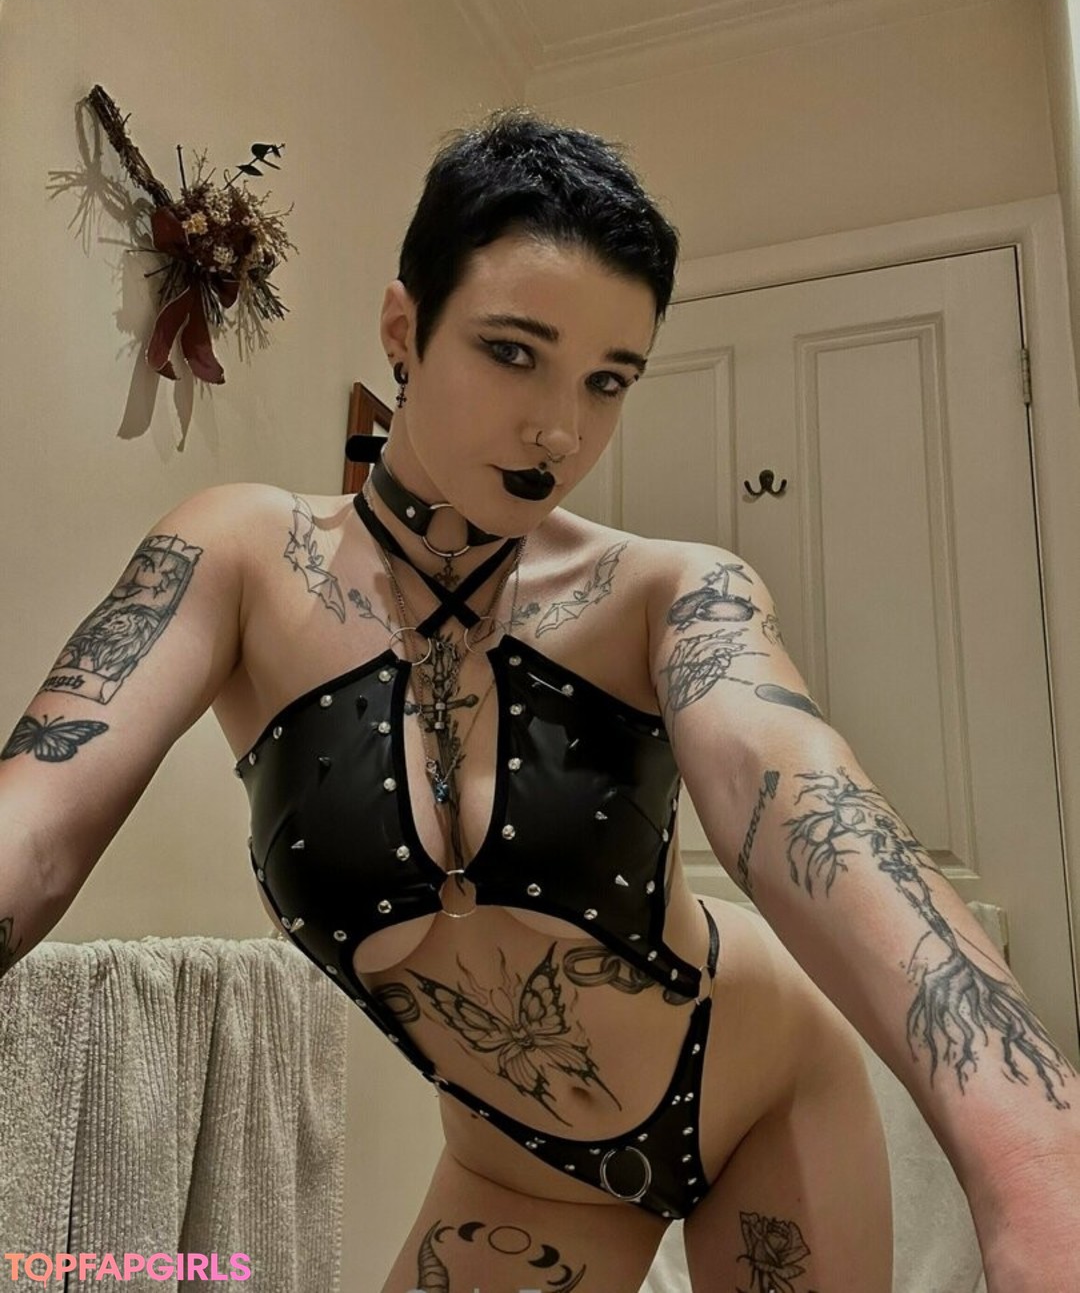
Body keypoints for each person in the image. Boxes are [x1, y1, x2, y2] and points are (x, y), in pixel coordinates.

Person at [2, 110, 1077, 1293]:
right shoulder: (242, 554)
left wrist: (1036, 1156)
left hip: (763, 1093)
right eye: (513, 352)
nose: (560, 429)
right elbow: (33, 831)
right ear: (403, 327)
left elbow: (796, 794)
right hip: (520, 1175)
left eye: (608, 381)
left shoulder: (668, 590)